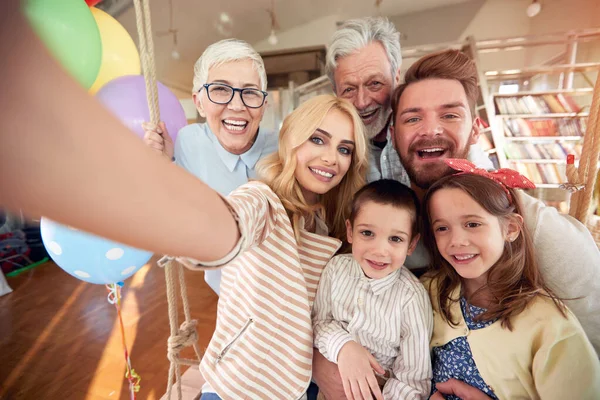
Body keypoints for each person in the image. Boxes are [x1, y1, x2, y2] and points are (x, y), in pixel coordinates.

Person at [391, 49, 600, 354]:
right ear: (393, 133)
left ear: (476, 129)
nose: (431, 129)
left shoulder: (531, 224)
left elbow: (594, 333)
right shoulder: (390, 219)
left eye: (450, 115)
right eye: (413, 118)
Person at [162, 93, 367, 400]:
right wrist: (200, 234)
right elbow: (230, 222)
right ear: (292, 140)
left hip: (298, 388)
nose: (331, 158)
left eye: (344, 149)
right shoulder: (262, 200)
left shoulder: (331, 226)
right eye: (318, 139)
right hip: (236, 387)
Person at [421, 159, 600, 400]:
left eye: (472, 224)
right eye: (442, 228)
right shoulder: (430, 290)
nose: (456, 240)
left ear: (511, 228)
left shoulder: (550, 326)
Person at [142, 38, 277, 295]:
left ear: (264, 105)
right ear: (199, 102)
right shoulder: (188, 142)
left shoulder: (284, 150)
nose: (237, 106)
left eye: (250, 92)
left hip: (282, 293)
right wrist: (162, 165)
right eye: (220, 90)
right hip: (227, 296)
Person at [325, 17, 492, 184]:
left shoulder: (449, 136)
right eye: (349, 89)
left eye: (374, 84)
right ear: (336, 92)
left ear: (396, 76)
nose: (362, 102)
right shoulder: (331, 147)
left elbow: (489, 187)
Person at [312, 179, 432, 400]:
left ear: (411, 245)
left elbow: (413, 380)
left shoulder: (411, 298)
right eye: (367, 233)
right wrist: (344, 347)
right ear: (350, 231)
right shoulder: (336, 269)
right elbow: (319, 323)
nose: (379, 250)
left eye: (395, 239)